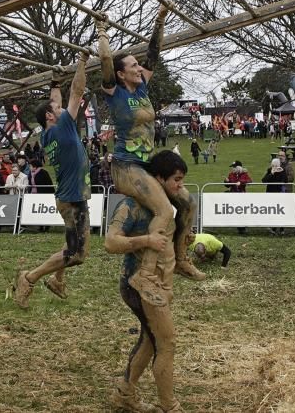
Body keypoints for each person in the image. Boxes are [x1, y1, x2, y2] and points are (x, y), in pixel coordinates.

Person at [98, 7, 205, 309]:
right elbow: (105, 59)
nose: (137, 67)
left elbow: (153, 54)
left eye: (136, 64)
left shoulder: (142, 85)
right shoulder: (114, 91)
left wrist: (160, 21)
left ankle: (181, 259)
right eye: (131, 65)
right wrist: (102, 29)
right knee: (163, 210)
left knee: (186, 201)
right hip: (126, 166)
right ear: (121, 74)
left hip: (145, 165)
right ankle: (144, 275)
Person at [105, 150, 189, 413]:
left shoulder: (165, 207)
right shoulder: (131, 206)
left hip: (157, 287)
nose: (180, 186)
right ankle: (170, 406)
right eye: (176, 179)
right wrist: (146, 241)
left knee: (150, 340)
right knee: (166, 343)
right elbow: (110, 242)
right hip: (137, 286)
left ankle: (125, 392)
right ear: (158, 179)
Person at [13, 55, 91, 308]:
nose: (62, 109)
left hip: (72, 196)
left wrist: (55, 81)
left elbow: (55, 101)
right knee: (76, 254)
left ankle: (58, 280)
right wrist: (82, 61)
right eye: (56, 109)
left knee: (77, 244)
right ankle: (30, 277)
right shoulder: (63, 126)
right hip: (71, 199)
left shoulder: (49, 134)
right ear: (50, 116)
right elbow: (77, 92)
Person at [262, 157, 289, 235]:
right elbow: (264, 180)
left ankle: (282, 229)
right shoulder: (269, 170)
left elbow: (286, 181)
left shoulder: (282, 171)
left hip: (279, 193)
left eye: (275, 165)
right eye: (273, 165)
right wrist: (271, 173)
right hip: (270, 193)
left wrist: (282, 172)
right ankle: (273, 228)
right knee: (272, 211)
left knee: (280, 211)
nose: (274, 167)